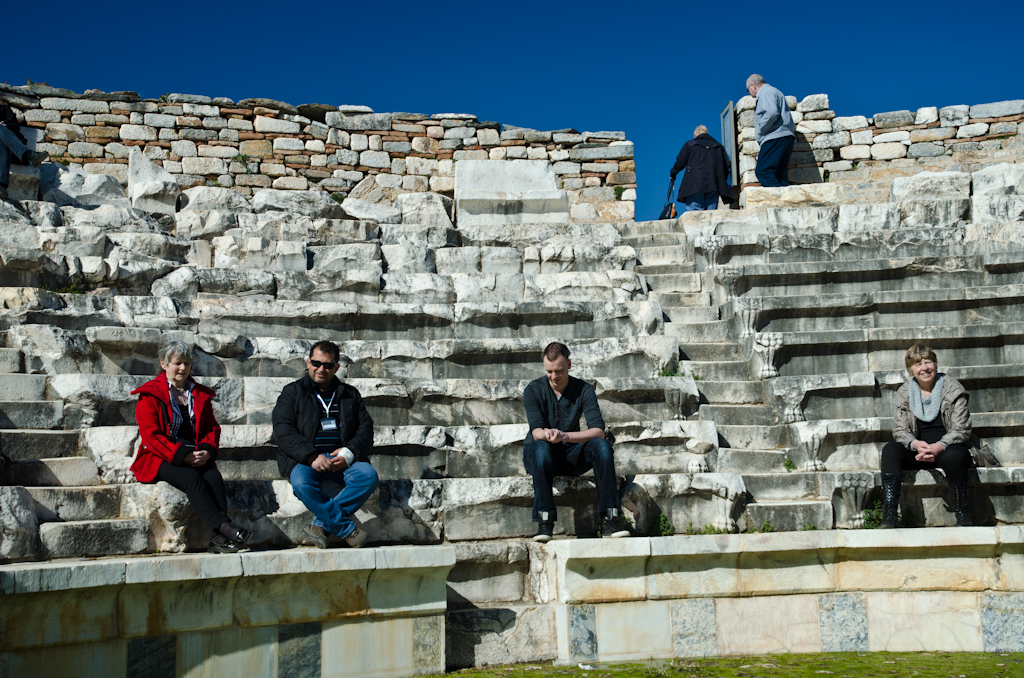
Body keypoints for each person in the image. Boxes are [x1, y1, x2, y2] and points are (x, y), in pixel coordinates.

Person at [131, 339, 250, 553]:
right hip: (159, 456)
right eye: (177, 363)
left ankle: (217, 540)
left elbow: (211, 428)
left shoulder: (198, 394)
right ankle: (224, 527)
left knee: (213, 476)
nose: (183, 368)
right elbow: (151, 436)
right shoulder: (150, 395)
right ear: (164, 364)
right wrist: (182, 455)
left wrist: (207, 450)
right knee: (191, 478)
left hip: (194, 454)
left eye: (187, 363)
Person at [273, 340, 378, 548]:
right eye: (316, 363)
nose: (321, 369)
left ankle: (320, 524)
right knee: (302, 484)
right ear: (308, 362)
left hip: (342, 460)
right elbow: (283, 430)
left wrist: (349, 453)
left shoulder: (350, 394)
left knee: (368, 476)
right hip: (305, 460)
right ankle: (346, 529)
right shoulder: (291, 392)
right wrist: (311, 456)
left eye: (328, 365)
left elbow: (366, 429)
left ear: (336, 368)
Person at [522, 342, 629, 542]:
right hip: (539, 455)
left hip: (570, 453)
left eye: (559, 371)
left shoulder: (584, 390)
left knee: (603, 447)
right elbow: (536, 430)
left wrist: (565, 436)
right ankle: (545, 521)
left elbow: (598, 431)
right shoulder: (533, 390)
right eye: (549, 371)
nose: (554, 377)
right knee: (541, 449)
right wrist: (548, 435)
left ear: (569, 365)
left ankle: (610, 517)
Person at [881, 344, 981, 528]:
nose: (924, 368)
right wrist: (915, 444)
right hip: (919, 450)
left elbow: (962, 429)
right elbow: (900, 430)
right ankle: (889, 515)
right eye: (918, 364)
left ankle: (963, 513)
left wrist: (940, 446)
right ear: (911, 370)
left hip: (948, 448)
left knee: (954, 456)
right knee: (890, 450)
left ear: (935, 365)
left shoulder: (953, 389)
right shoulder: (904, 393)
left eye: (928, 362)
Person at [745, 74, 796, 188]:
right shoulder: (775, 92)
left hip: (774, 136)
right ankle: (785, 200)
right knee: (779, 175)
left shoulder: (765, 93)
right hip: (786, 136)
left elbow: (771, 113)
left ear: (753, 86)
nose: (749, 93)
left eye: (747, 89)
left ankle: (779, 200)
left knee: (763, 171)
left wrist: (762, 129)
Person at [669, 125, 733, 212]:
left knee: (695, 213)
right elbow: (726, 165)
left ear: (695, 135)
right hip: (713, 184)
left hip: (694, 184)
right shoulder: (718, 147)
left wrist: (673, 173)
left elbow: (680, 161)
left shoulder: (690, 144)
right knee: (711, 214)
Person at [0, 104, 48, 201]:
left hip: (9, 149)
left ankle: (1, 187)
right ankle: (29, 155)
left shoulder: (3, 109)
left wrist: (5, 125)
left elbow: (15, 126)